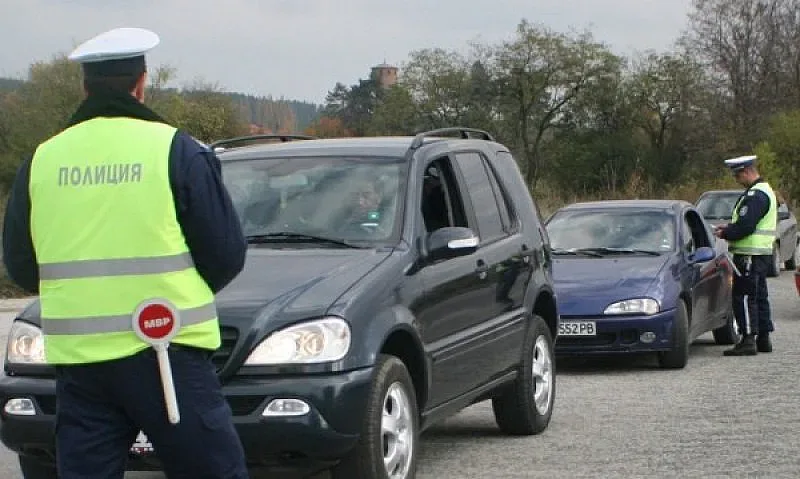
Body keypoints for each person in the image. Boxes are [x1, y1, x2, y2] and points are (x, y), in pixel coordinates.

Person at [1, 28, 249, 478]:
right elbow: (226, 253)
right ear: (141, 83)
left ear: (85, 87)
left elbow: (20, 263)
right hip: (166, 353)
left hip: (81, 364)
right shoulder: (175, 149)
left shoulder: (42, 159)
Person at [713, 155, 776, 356]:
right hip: (760, 253)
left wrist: (726, 233)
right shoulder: (766, 190)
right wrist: (730, 227)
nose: (737, 180)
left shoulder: (755, 195)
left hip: (748, 253)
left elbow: (746, 226)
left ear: (747, 171)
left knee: (744, 296)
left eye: (738, 176)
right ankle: (763, 338)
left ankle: (748, 339)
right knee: (759, 295)